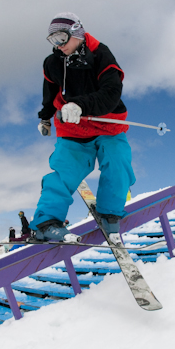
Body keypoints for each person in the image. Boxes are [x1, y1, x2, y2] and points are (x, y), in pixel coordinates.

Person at [31, 12, 135, 243]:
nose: (59, 46)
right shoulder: (52, 63)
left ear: (77, 33)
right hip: (73, 128)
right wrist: (46, 117)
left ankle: (110, 213)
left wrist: (81, 105)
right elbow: (50, 94)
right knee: (64, 171)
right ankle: (47, 223)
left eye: (62, 38)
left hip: (108, 123)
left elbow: (111, 92)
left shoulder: (101, 54)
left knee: (118, 163)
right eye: (53, 41)